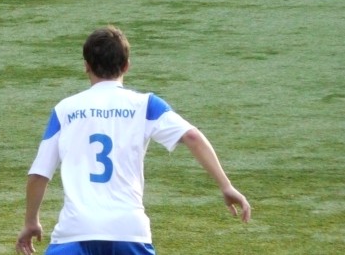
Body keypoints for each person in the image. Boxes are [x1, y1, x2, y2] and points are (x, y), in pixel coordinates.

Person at [15, 26, 251, 255]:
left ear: (86, 66)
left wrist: (31, 221)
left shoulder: (64, 110)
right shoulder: (145, 104)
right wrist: (226, 186)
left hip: (76, 231)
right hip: (129, 230)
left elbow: (39, 174)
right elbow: (191, 136)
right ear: (127, 66)